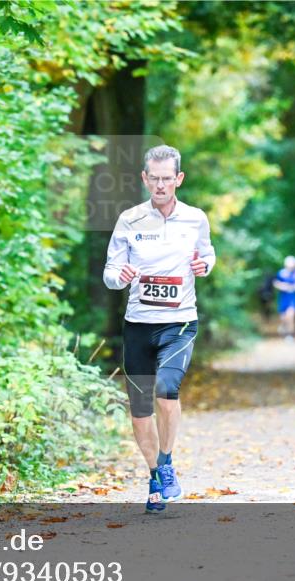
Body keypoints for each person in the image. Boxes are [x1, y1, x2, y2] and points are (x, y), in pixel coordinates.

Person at [103, 145, 215, 514]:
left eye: (168, 178)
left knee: (167, 390)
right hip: (138, 325)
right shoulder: (129, 220)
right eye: (155, 178)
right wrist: (120, 276)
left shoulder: (195, 218)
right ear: (145, 178)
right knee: (139, 410)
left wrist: (204, 266)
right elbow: (110, 272)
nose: (161, 185)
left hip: (179, 322)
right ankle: (155, 475)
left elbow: (207, 254)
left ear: (179, 178)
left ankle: (166, 462)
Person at [273, 256, 295, 342]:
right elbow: (275, 283)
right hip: (283, 298)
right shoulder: (281, 273)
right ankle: (283, 327)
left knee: (291, 315)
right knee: (283, 317)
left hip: (293, 298)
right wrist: (283, 286)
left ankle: (289, 334)